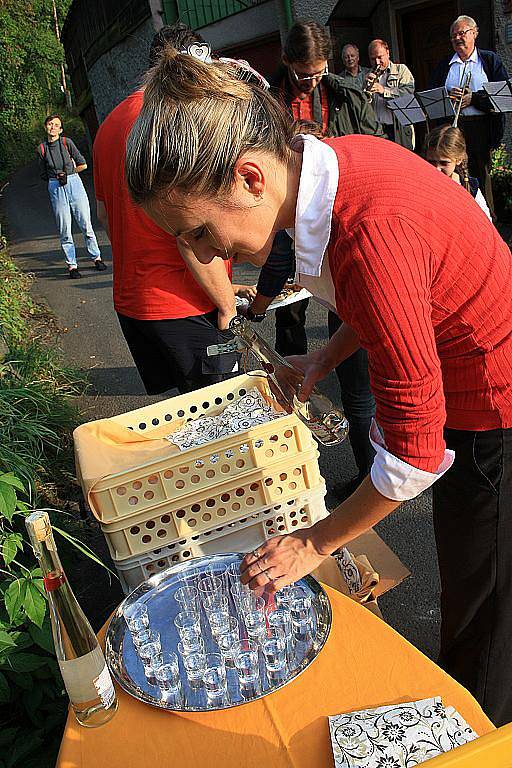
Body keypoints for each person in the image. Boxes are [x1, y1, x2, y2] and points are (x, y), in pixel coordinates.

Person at [125, 49, 512, 726]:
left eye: (199, 233)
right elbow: (393, 299)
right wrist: (326, 356)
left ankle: (482, 728)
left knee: (486, 610)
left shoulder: (369, 231)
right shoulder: (332, 164)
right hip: (465, 374)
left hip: (493, 402)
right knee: (475, 581)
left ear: (249, 176)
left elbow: (415, 455)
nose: (210, 256)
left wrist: (316, 541)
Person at [252, 20, 381, 495]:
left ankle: (371, 473)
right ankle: (302, 451)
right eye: (304, 76)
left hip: (341, 231)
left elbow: (373, 152)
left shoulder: (345, 97)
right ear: (287, 63)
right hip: (295, 229)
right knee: (301, 343)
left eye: (318, 75)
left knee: (357, 361)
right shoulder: (265, 103)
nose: (312, 83)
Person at [93, 23, 252, 395]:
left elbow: (106, 217)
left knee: (186, 420)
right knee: (226, 424)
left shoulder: (110, 124)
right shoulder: (176, 120)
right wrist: (225, 301)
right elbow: (193, 231)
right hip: (187, 304)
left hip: (135, 305)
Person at [428, 15, 509, 217]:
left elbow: (503, 94)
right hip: (454, 128)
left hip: (480, 126)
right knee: (454, 173)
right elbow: (432, 95)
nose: (457, 38)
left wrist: (474, 99)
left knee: (480, 175)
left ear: (474, 33)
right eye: (453, 35)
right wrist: (447, 97)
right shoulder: (445, 64)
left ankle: (487, 220)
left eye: (461, 33)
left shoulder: (489, 60)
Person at [37, 114, 106, 279]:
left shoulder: (67, 143)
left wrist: (69, 173)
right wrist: (56, 178)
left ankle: (96, 257)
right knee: (64, 229)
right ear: (46, 127)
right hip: (55, 187)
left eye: (56, 125)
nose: (52, 127)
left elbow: (83, 164)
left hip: (74, 183)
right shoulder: (41, 149)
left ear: (61, 130)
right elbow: (43, 173)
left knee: (86, 225)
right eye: (50, 124)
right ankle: (72, 266)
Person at [424, 125, 491, 220]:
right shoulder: (421, 185)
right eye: (431, 162)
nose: (437, 169)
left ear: (458, 159)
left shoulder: (470, 187)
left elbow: (486, 223)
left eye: (444, 163)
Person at [366, 39, 415, 148]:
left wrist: (384, 91)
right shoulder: (368, 74)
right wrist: (365, 92)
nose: (377, 62)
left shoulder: (401, 70)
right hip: (377, 130)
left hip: (397, 129)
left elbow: (408, 94)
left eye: (380, 57)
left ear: (388, 53)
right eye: (373, 59)